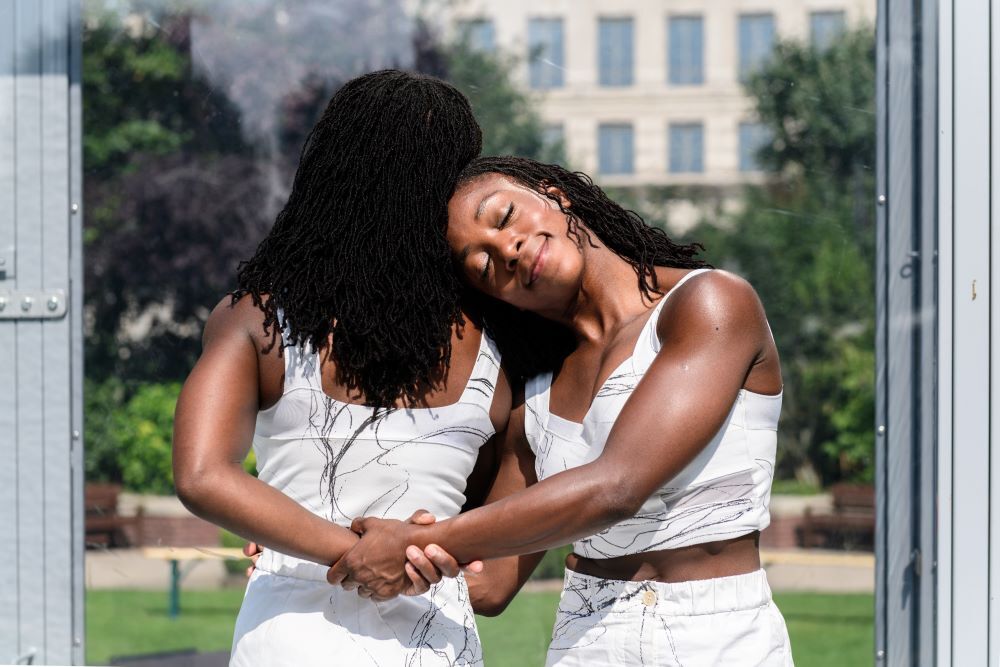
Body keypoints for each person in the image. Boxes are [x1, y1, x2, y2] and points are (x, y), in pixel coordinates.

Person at [328, 156, 795, 666]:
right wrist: (326, 547)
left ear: (555, 195)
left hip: (718, 635)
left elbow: (617, 488)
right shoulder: (535, 399)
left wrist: (416, 541)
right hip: (585, 640)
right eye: (483, 265)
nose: (507, 249)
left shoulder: (709, 303)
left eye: (504, 217)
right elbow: (489, 586)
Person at [172, 71, 534, 666]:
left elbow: (203, 475)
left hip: (288, 637)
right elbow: (491, 585)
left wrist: (340, 547)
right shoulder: (502, 339)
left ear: (328, 175)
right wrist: (410, 554)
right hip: (435, 638)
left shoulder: (257, 321)